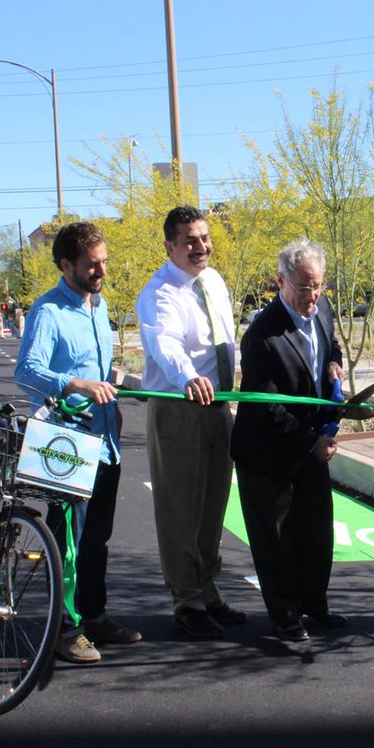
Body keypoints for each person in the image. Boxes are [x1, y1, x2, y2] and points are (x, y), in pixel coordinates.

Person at [15, 221, 141, 664]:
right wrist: (77, 384)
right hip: (67, 449)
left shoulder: (99, 307)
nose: (101, 271)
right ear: (66, 264)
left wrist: (111, 394)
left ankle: (94, 616)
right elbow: (27, 371)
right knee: (68, 541)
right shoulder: (48, 312)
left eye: (104, 262)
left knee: (97, 539)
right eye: (92, 265)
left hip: (106, 442)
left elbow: (101, 372)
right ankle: (64, 629)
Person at [137, 206, 246, 640]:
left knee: (212, 505)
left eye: (204, 238)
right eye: (190, 241)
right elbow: (165, 343)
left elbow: (224, 338)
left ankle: (207, 588)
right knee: (181, 508)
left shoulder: (214, 282)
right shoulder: (161, 292)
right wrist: (189, 378)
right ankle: (186, 600)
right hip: (179, 407)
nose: (201, 247)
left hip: (217, 406)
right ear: (170, 247)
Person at [231, 239, 347, 642]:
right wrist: (309, 444)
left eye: (317, 286)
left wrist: (334, 363)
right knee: (276, 539)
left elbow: (331, 345)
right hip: (267, 451)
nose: (312, 296)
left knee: (316, 532)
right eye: (303, 288)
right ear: (280, 281)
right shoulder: (262, 335)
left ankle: (315, 605)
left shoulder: (322, 309)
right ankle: (284, 616)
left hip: (311, 441)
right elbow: (267, 407)